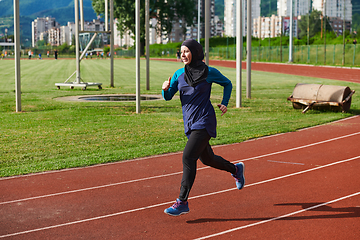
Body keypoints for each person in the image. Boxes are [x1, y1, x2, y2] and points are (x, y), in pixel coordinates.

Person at [162, 39, 245, 216]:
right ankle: (236, 169)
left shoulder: (209, 72)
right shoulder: (179, 74)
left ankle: (182, 201)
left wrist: (224, 103)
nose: (183, 55)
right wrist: (165, 89)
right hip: (190, 123)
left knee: (188, 156)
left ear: (196, 52)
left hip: (205, 120)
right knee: (208, 159)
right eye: (181, 52)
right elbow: (169, 96)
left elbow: (227, 83)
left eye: (187, 51)